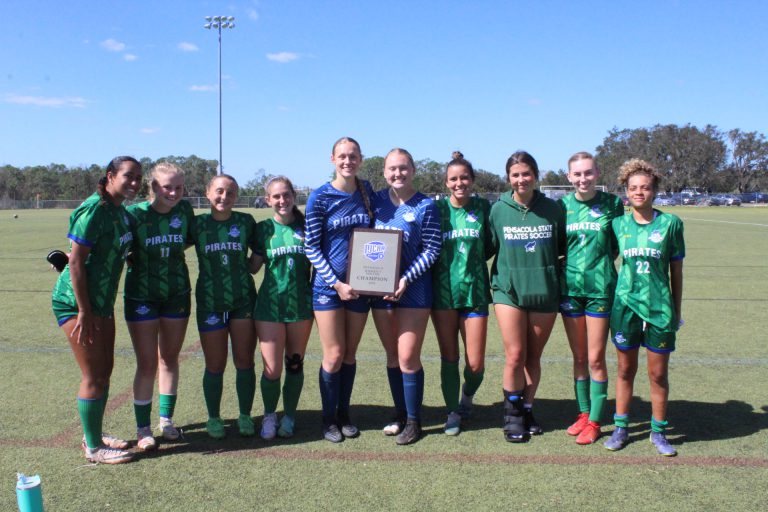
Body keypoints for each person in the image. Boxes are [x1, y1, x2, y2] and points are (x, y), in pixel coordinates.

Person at [51, 156, 142, 464]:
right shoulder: (94, 210)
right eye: (128, 176)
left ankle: (95, 434)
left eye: (138, 178)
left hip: (100, 303)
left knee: (105, 371)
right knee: (93, 374)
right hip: (77, 305)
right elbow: (75, 262)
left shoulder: (120, 212)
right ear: (110, 176)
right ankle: (93, 448)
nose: (134, 182)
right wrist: (84, 311)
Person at [603, 159, 684, 457]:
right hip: (625, 306)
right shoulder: (617, 225)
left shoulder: (671, 224)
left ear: (654, 191)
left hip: (660, 308)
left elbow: (677, 271)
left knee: (658, 374)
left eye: (645, 188)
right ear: (626, 192)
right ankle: (621, 428)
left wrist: (676, 311)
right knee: (625, 370)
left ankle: (659, 432)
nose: (639, 193)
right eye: (634, 188)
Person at [489, 150, 565, 442]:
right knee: (515, 355)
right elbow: (488, 246)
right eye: (515, 175)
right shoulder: (498, 210)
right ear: (508, 178)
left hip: (544, 290)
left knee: (534, 356)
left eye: (526, 173)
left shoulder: (553, 208)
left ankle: (528, 408)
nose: (521, 179)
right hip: (508, 290)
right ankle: (513, 416)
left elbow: (561, 247)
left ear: (536, 175)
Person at [304, 137, 374, 443]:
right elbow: (311, 246)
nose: (348, 161)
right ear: (332, 159)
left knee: (349, 354)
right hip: (328, 288)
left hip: (361, 286)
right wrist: (336, 283)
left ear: (360, 159)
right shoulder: (319, 197)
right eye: (342, 156)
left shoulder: (367, 191)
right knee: (332, 354)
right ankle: (328, 418)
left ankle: (344, 414)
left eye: (353, 156)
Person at [371, 148, 441, 445]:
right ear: (384, 172)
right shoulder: (374, 202)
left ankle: (414, 421)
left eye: (403, 168)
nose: (397, 173)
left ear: (413, 170)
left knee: (408, 357)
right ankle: (400, 413)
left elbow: (432, 249)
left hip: (414, 291)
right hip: (379, 290)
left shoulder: (426, 205)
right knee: (391, 356)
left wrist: (405, 278)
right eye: (391, 169)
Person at [124, 163, 194, 450]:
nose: (173, 192)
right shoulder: (134, 215)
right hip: (141, 296)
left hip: (177, 293)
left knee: (169, 358)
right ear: (153, 187)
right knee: (147, 362)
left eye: (178, 187)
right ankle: (143, 429)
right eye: (167, 186)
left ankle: (166, 420)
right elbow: (119, 250)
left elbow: (188, 240)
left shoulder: (185, 211)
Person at [557, 152, 625, 445]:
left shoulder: (612, 204)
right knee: (580, 357)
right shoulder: (562, 206)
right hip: (570, 290)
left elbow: (617, 246)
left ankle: (596, 421)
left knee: (596, 358)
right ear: (569, 177)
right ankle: (584, 413)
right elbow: (559, 247)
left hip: (600, 290)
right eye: (577, 174)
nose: (583, 179)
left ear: (597, 174)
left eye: (588, 173)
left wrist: (598, 268)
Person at [191, 174, 257, 439]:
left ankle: (245, 415)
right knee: (215, 364)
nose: (224, 197)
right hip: (210, 302)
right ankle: (214, 418)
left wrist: (257, 260)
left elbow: (259, 250)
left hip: (243, 301)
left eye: (230, 193)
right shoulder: (196, 225)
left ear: (236, 196)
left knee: (244, 361)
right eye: (219, 191)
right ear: (207, 193)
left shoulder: (246, 222)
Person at [431, 151, 492, 436]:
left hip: (475, 292)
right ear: (446, 183)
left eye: (464, 178)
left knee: (475, 363)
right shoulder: (437, 211)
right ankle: (452, 412)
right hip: (442, 295)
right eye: (454, 179)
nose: (460, 183)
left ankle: (466, 396)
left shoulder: (484, 208)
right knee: (449, 358)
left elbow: (492, 245)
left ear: (472, 179)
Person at [252, 176, 313, 440]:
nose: (282, 200)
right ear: (268, 200)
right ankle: (268, 415)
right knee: (272, 369)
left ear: (293, 197)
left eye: (286, 195)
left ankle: (289, 416)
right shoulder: (262, 229)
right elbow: (252, 266)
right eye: (276, 196)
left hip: (300, 306)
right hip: (269, 307)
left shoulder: (308, 227)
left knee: (295, 365)